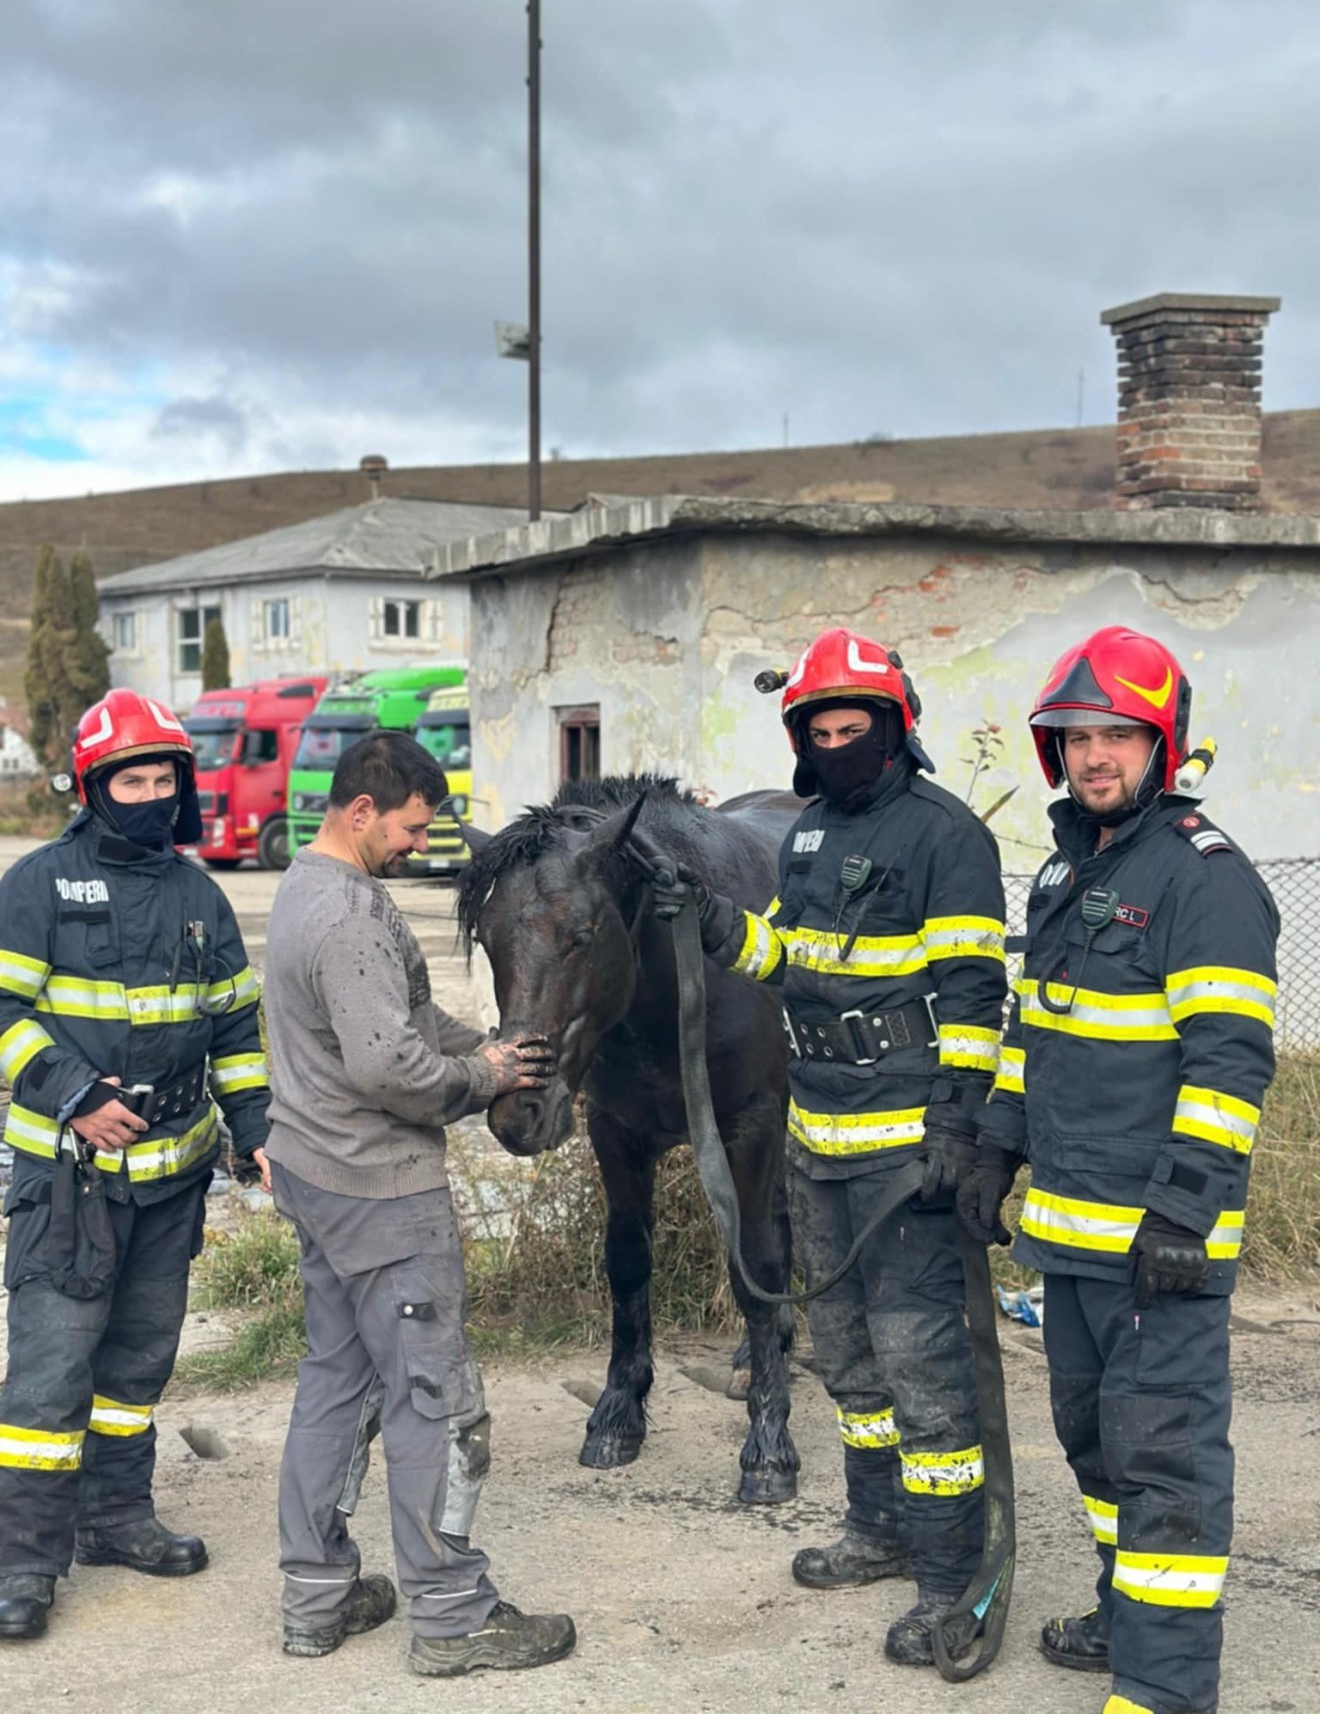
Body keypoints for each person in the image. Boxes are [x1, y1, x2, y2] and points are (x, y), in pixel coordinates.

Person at [648, 627, 1007, 1668]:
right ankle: (879, 1526)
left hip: (907, 1151)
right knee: (847, 1357)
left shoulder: (947, 836)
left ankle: (951, 1581)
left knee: (923, 1366)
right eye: (823, 727)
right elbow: (790, 961)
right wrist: (714, 922)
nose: (841, 742)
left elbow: (978, 995)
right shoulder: (805, 839)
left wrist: (959, 1121)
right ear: (802, 736)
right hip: (819, 1137)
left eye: (858, 725)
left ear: (897, 727)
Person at [957, 625, 1279, 1714]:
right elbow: (1031, 1034)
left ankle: (1165, 1686)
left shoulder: (1206, 880)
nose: (1096, 756)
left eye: (1119, 736)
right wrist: (992, 1151)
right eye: (1077, 736)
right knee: (1094, 1445)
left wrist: (1186, 1210)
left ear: (1163, 742)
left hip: (1159, 1246)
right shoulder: (1064, 869)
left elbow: (1229, 1061)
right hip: (1073, 1239)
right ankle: (1121, 1614)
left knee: (1165, 1461)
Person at [262, 729, 576, 1675]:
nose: (415, 845)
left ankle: (314, 1597)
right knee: (436, 1402)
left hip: (318, 1175)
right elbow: (391, 1065)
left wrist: (495, 1045)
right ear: (361, 811)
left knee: (338, 1383)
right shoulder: (351, 917)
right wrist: (480, 1078)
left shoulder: (304, 887)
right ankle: (452, 1616)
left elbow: (404, 1016)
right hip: (380, 1190)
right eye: (407, 828)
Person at [0, 688, 271, 1642]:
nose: (151, 793)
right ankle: (24, 1563)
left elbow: (236, 1025)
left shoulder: (200, 895)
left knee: (137, 1366)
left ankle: (115, 1520)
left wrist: (258, 1127)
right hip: (68, 1185)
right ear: (95, 785)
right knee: (46, 1376)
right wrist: (75, 1094)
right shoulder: (37, 884)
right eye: (133, 777)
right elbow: (2, 1014)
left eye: (165, 777)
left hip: (173, 1182)